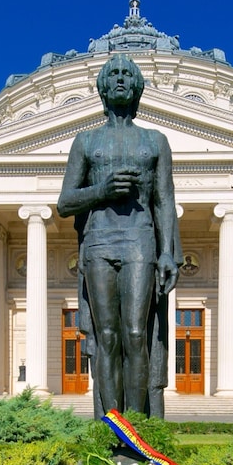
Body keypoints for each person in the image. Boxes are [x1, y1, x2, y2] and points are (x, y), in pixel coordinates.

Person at [58, 53, 181, 419]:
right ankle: (113, 428)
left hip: (140, 241)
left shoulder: (155, 141)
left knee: (137, 333)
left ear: (138, 86)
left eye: (129, 73)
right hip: (98, 243)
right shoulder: (86, 142)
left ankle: (139, 426)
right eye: (113, 74)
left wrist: (169, 254)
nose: (121, 79)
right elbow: (65, 202)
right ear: (103, 87)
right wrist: (102, 189)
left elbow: (165, 201)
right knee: (106, 336)